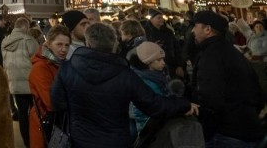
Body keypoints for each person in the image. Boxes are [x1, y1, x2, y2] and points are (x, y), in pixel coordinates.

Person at [51, 23, 196, 148]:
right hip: (116, 140)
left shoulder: (67, 69)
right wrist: (184, 105)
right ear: (113, 45)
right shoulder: (124, 74)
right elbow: (154, 105)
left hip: (81, 139)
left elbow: (58, 102)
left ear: (88, 43)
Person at [190, 10, 263, 146]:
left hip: (227, 133)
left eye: (195, 26)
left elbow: (210, 97)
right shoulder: (230, 51)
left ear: (207, 29)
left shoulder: (212, 56)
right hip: (247, 127)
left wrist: (206, 123)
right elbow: (256, 89)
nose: (192, 31)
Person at [28, 24, 70, 148]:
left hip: (58, 123)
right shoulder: (41, 67)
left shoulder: (60, 64)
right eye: (59, 44)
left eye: (67, 45)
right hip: (45, 123)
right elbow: (51, 102)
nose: (64, 49)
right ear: (49, 43)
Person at [1, 17, 39, 147]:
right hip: (31, 82)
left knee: (22, 114)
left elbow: (5, 62)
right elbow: (38, 61)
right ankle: (36, 141)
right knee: (36, 113)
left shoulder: (5, 41)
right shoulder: (29, 40)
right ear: (24, 27)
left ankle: (27, 143)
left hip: (14, 82)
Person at [144, 9, 185, 79]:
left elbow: (177, 48)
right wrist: (153, 46)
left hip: (171, 65)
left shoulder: (168, 32)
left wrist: (179, 65)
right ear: (151, 19)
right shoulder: (146, 32)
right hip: (155, 67)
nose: (161, 19)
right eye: (158, 18)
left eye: (162, 17)